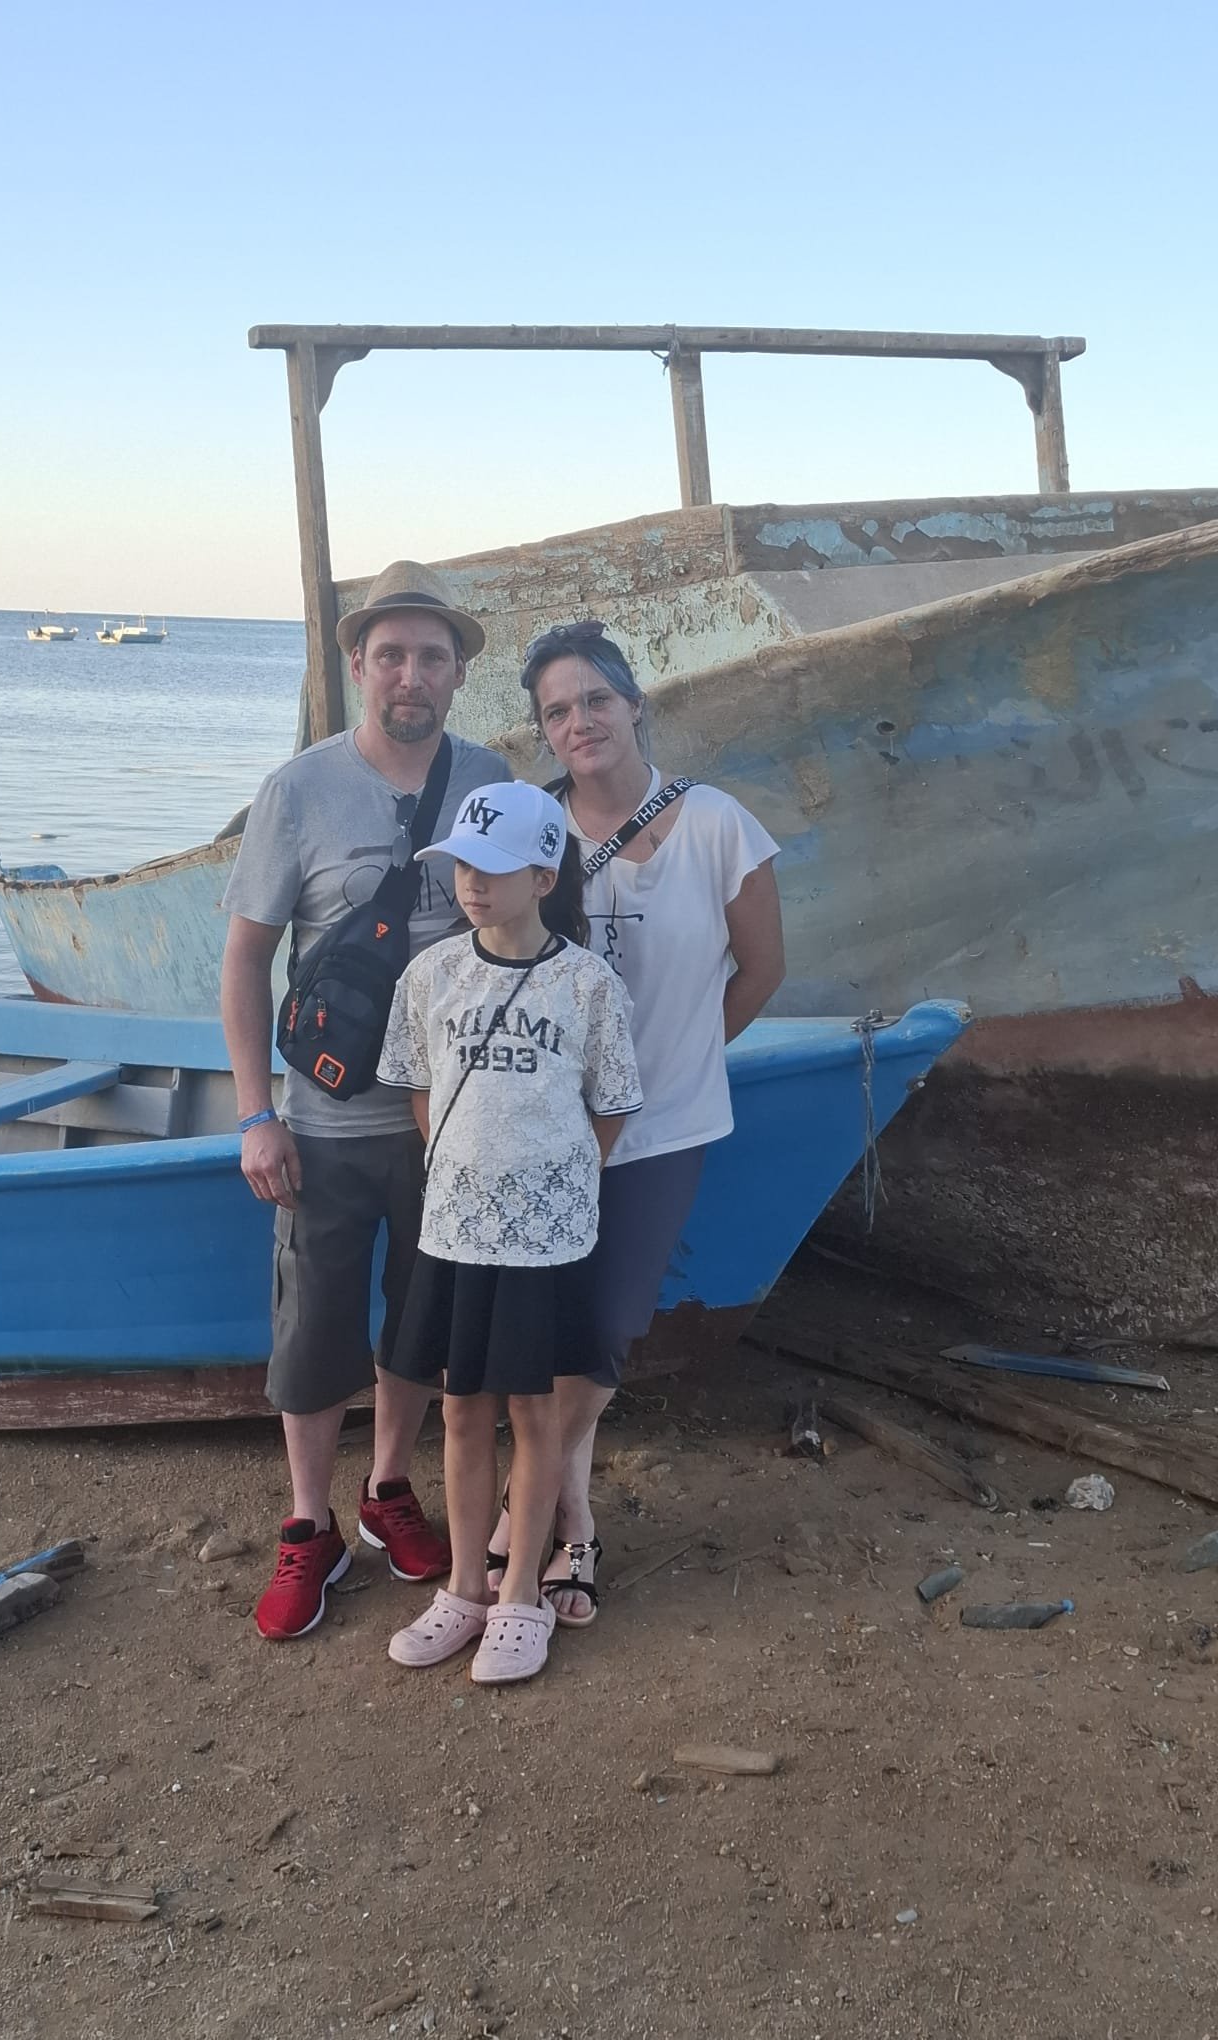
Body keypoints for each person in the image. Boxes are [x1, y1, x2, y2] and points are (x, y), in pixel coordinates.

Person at [220, 561, 513, 1641]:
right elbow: (244, 962)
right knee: (313, 1331)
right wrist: (257, 1115)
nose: (410, 675)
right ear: (357, 666)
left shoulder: (488, 780)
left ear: (458, 673)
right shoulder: (298, 791)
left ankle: (389, 1490)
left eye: (432, 656)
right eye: (391, 654)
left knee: (420, 1320)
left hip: (451, 1124)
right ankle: (310, 1524)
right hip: (328, 1122)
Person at [485, 620, 785, 1625]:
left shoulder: (717, 825)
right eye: (556, 711)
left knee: (609, 1327)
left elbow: (763, 968)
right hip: (547, 1125)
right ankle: (571, 1527)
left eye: (596, 700)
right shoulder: (534, 833)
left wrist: (687, 1051)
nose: (579, 722)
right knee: (557, 1331)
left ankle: (520, 1511)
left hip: (664, 1126)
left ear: (635, 705)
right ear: (544, 730)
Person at [374, 781, 642, 1683]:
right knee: (460, 1408)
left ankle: (521, 1590)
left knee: (536, 1411)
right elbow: (420, 1087)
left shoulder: (587, 984)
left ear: (543, 875)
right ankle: (464, 1588)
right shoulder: (431, 975)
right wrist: (466, 1173)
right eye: (461, 866)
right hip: (455, 1232)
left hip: (546, 1242)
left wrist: (552, 1182)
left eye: (493, 868)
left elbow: (611, 1105)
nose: (472, 884)